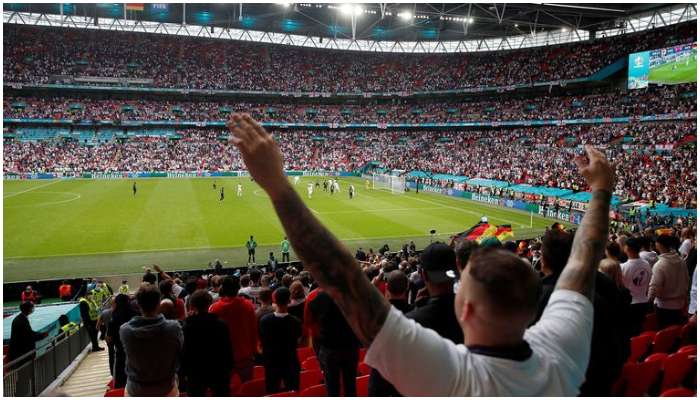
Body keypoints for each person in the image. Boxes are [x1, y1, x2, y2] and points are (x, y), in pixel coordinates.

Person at [226, 115, 614, 396]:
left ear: (465, 310)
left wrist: (276, 185)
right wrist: (600, 193)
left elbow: (341, 277)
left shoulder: (451, 377)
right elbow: (582, 263)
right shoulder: (561, 352)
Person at [120, 284, 183, 396]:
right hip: (167, 388)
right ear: (159, 304)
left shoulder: (125, 330)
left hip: (136, 390)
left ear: (138, 304)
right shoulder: (174, 328)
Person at [308, 290, 360, 396]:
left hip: (330, 348)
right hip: (351, 346)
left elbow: (311, 317)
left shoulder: (321, 296)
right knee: (350, 385)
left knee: (332, 387)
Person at [182, 290, 233, 396]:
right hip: (218, 371)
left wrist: (185, 372)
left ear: (192, 306)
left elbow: (185, 352)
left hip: (196, 373)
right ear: (209, 304)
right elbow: (227, 350)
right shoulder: (221, 324)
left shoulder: (187, 327)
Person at [209, 276, 258, 383]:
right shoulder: (248, 305)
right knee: (247, 388)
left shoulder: (214, 308)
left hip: (223, 357)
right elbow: (254, 330)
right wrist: (254, 350)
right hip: (244, 355)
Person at [259, 287, 302, 394]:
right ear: (289, 300)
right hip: (290, 361)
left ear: (274, 301)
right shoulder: (295, 322)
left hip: (272, 363)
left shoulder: (265, 321)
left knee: (272, 391)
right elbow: (298, 340)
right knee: (293, 392)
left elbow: (262, 341)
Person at [650, 234, 690, 329]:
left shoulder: (660, 265)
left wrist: (649, 300)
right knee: (674, 332)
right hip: (680, 304)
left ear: (659, 245)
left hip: (664, 307)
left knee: (665, 333)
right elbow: (687, 279)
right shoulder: (681, 260)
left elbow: (654, 287)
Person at [620, 237, 653, 335]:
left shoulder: (623, 267)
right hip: (643, 302)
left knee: (630, 333)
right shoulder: (646, 264)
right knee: (639, 330)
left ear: (628, 248)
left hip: (630, 304)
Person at [107, 294, 137, 389]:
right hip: (137, 352)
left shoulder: (113, 318)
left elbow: (109, 338)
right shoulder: (136, 314)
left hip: (120, 353)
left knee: (121, 382)